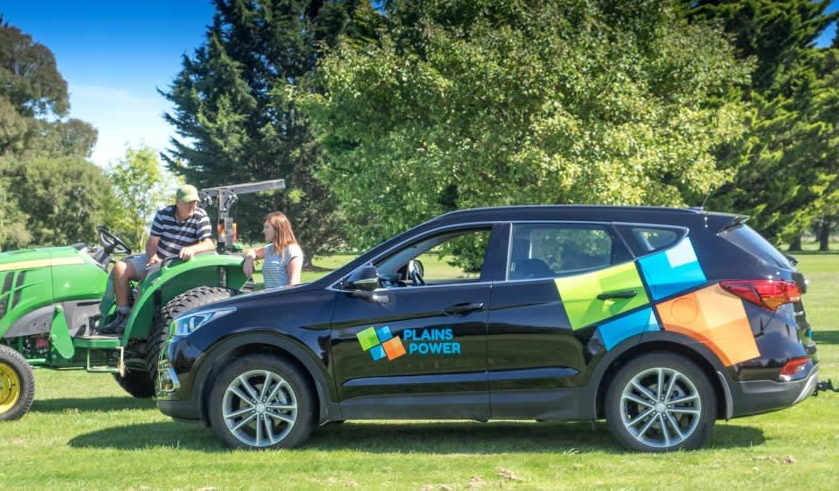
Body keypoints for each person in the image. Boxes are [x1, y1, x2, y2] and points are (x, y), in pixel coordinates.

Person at [100, 184, 215, 334]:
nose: (192, 206)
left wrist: (192, 249)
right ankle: (122, 313)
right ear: (177, 202)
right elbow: (152, 242)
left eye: (194, 202)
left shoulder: (200, 216)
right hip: (160, 258)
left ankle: (131, 323)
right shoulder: (163, 214)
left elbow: (209, 243)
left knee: (147, 281)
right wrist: (153, 256)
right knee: (120, 268)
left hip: (179, 263)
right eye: (188, 203)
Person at [242, 211, 303, 289]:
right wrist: (249, 259)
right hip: (270, 299)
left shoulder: (292, 250)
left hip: (283, 299)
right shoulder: (270, 248)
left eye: (267, 227)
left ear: (278, 229)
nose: (264, 231)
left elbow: (294, 284)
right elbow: (252, 250)